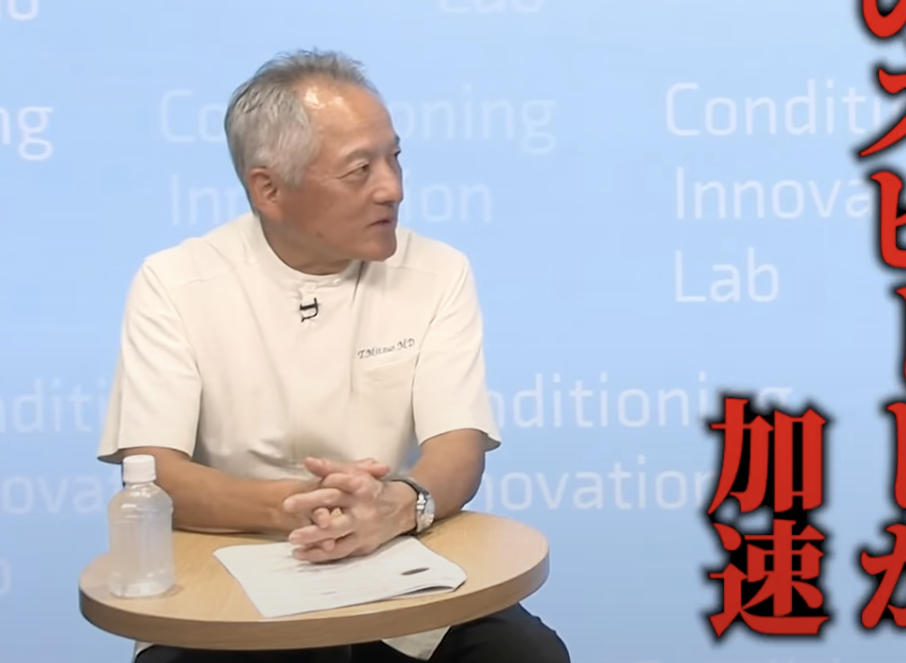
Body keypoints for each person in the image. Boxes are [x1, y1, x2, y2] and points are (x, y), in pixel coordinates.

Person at [98, 50, 571, 663]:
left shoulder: (438, 271)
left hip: (392, 558)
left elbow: (459, 448)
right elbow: (154, 471)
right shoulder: (175, 282)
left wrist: (398, 505)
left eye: (395, 158)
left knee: (526, 655)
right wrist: (307, 509)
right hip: (227, 574)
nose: (393, 188)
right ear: (269, 189)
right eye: (360, 170)